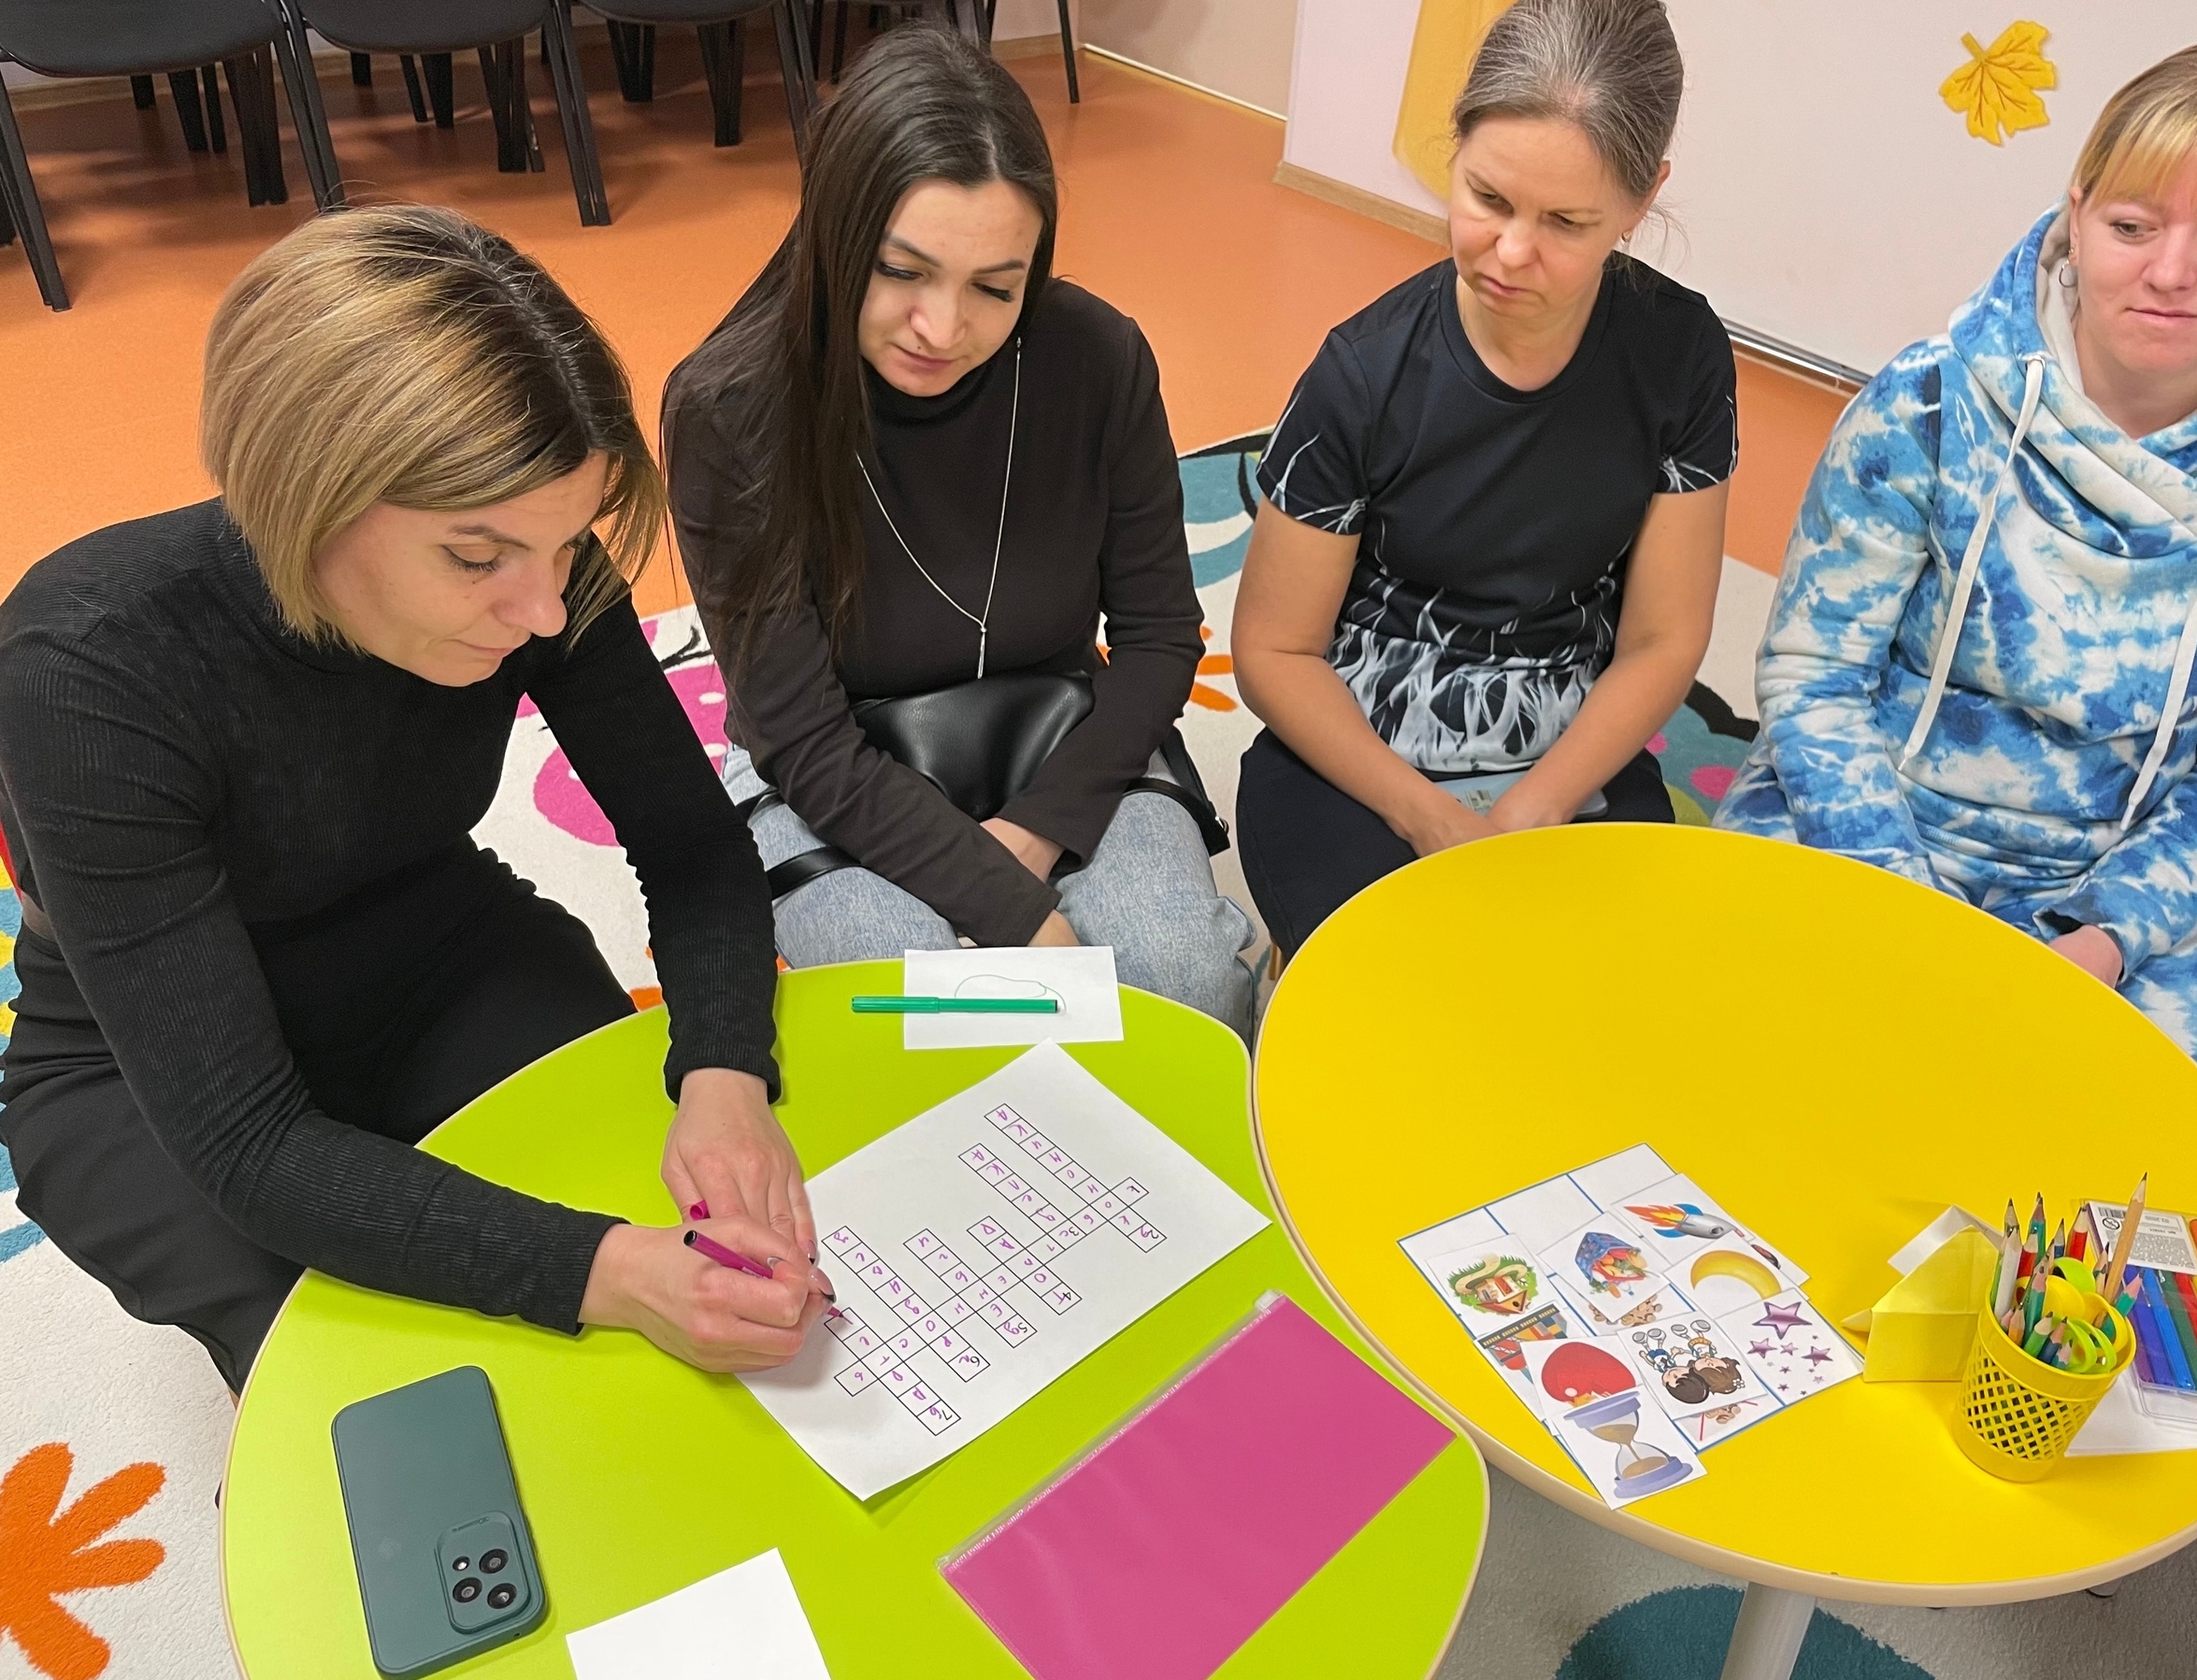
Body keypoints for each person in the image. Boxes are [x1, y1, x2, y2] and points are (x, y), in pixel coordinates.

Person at [0, 208, 834, 1391]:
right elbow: (248, 1146)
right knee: (355, 1370)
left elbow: (692, 846)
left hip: (439, 955)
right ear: (307, 491)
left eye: (567, 546)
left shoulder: (535, 558)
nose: (542, 612)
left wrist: (723, 1073)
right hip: (131, 1061)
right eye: (477, 559)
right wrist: (605, 1273)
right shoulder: (88, 666)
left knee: (637, 1241)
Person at [1715, 41, 2197, 1079]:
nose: (2171, 272)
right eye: (2131, 226)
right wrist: (1894, 893)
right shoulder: (1928, 401)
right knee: (1729, 1058)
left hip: (2122, 890)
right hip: (1860, 823)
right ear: (2077, 213)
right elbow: (1816, 675)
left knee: (2164, 1151)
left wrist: (2108, 935)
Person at [665, 27, 1256, 1037]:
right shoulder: (730, 411)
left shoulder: (1097, 358)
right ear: (835, 233)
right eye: (901, 271)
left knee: (1183, 993)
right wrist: (1015, 910)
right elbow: (802, 740)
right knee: (923, 1027)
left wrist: (1038, 830)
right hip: (834, 763)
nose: (942, 329)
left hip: (1058, 727)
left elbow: (1161, 638)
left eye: (994, 287)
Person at [1231, 0, 1734, 955]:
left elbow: (1663, 638)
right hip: (1359, 751)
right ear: (1454, 148)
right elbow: (1274, 650)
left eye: (1566, 223)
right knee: (1401, 985)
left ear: (1643, 200)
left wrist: (1534, 809)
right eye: (1488, 199)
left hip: (1568, 746)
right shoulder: (1362, 374)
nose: (1510, 253)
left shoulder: (1680, 355)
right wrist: (1431, 820)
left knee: (1630, 987)